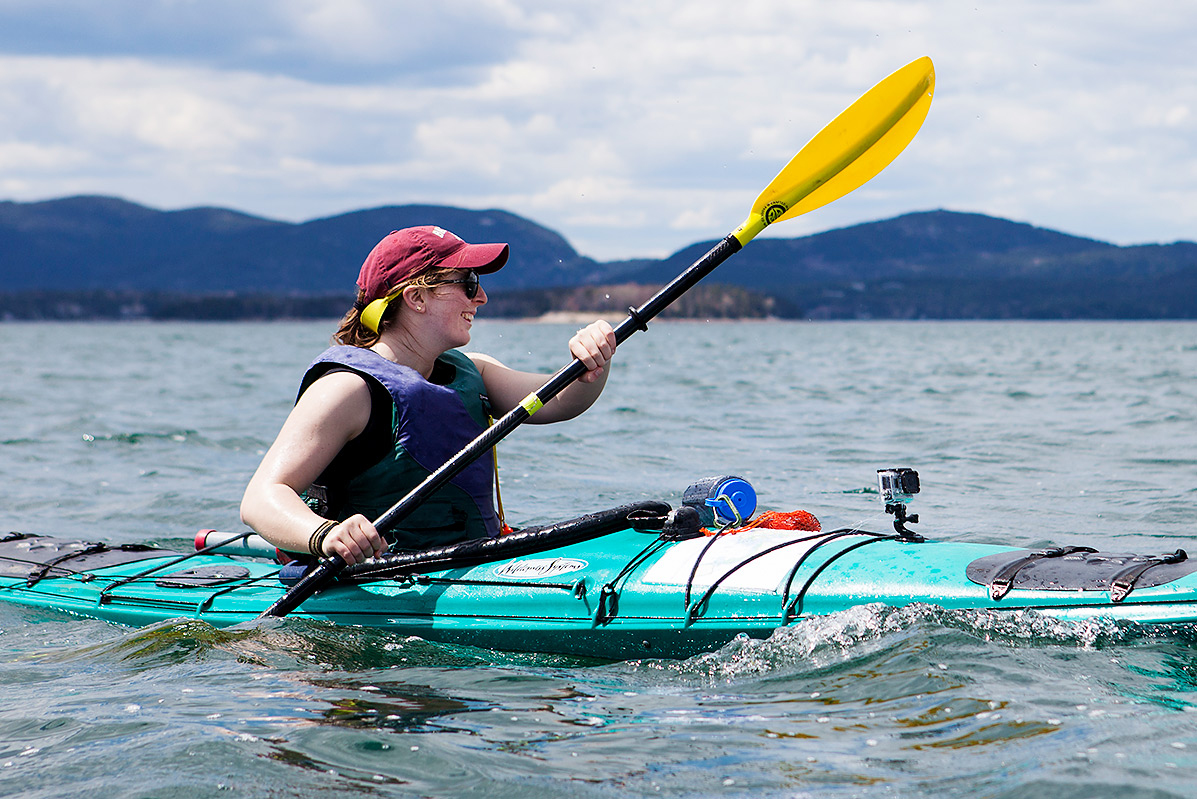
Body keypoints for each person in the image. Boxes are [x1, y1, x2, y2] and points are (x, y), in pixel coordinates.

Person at [240, 225, 617, 565]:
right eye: (468, 283)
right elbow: (260, 498)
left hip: (472, 560)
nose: (481, 297)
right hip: (378, 579)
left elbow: (564, 400)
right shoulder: (347, 389)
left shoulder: (476, 371)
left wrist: (593, 356)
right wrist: (323, 535)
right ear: (417, 298)